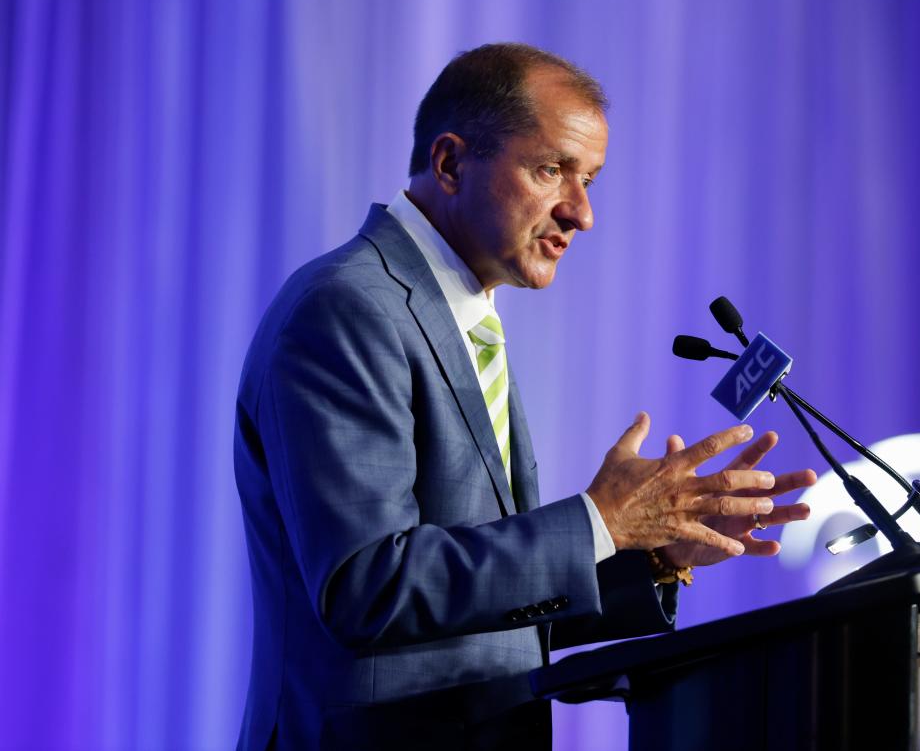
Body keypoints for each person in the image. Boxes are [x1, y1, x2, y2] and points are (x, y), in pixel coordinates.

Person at [233, 43, 816, 750]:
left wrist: (652, 555)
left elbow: (491, 610)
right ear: (451, 163)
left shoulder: (465, 317)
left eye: (591, 180)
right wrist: (599, 521)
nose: (582, 213)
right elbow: (370, 586)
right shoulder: (347, 308)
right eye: (551, 171)